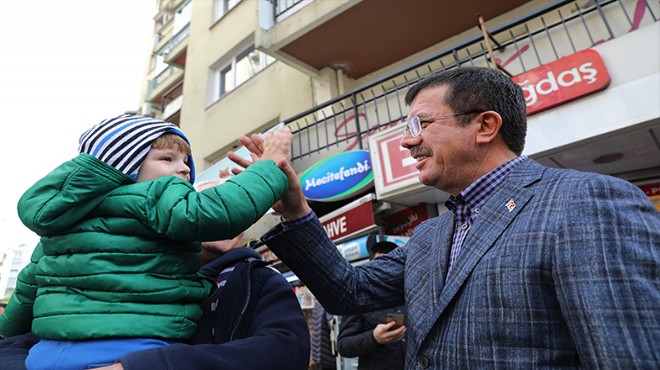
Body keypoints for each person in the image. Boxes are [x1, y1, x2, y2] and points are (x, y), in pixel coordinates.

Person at [232, 67, 660, 368]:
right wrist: (294, 207)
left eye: (420, 122)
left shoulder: (586, 202)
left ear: (485, 125)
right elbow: (349, 290)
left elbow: (628, 355)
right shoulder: (431, 234)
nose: (406, 140)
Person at [0, 113, 292, 369]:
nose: (184, 169)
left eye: (185, 161)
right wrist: (267, 168)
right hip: (129, 350)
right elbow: (215, 212)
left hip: (47, 355)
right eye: (167, 159)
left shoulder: (60, 228)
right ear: (124, 168)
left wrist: (6, 333)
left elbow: (27, 290)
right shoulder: (153, 197)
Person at [336, 241, 406, 370]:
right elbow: (343, 346)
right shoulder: (360, 297)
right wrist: (374, 338)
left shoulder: (411, 294)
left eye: (391, 264)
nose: (385, 269)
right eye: (379, 264)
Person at [309, 298, 337, 370]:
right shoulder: (330, 305)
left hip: (318, 355)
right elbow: (333, 325)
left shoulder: (318, 304)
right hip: (327, 356)